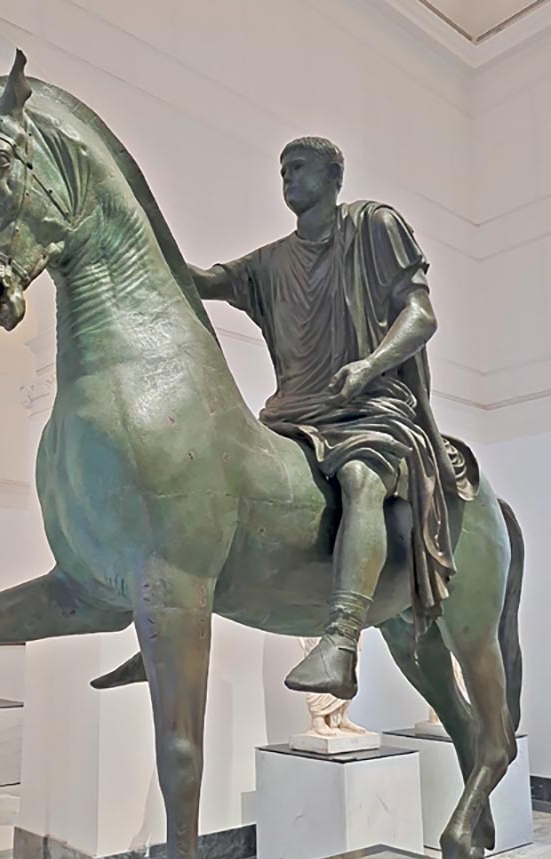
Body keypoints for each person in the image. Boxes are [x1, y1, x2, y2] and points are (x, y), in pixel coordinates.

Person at [190, 137, 477, 699]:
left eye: (297, 168)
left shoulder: (374, 226)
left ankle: (341, 643)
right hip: (292, 416)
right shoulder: (271, 261)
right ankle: (170, 621)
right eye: (282, 171)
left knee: (360, 478)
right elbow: (208, 281)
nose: (287, 180)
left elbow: (421, 314)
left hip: (369, 406)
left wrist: (370, 365)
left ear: (333, 173)